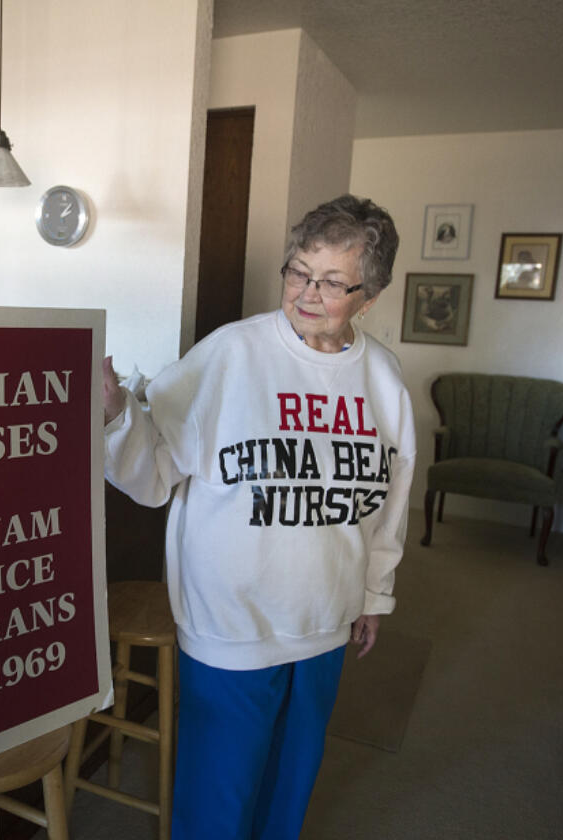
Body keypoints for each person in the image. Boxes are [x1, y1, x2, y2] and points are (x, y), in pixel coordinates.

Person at [102, 194, 416, 839]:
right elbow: (153, 473)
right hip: (230, 621)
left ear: (370, 294)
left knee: (289, 787)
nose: (307, 292)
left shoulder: (383, 378)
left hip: (325, 617)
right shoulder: (230, 354)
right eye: (298, 271)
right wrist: (113, 416)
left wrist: (375, 594)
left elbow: (389, 499)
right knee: (219, 795)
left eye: (332, 282)